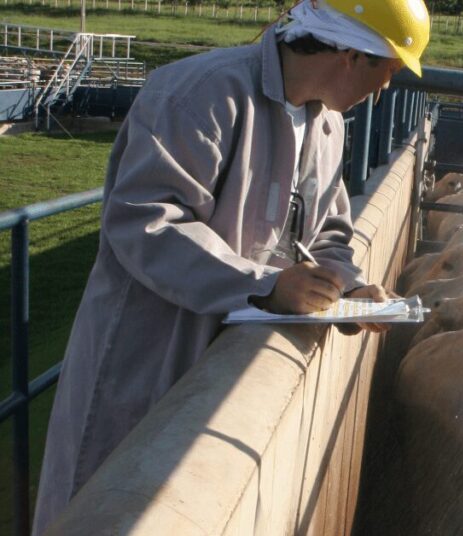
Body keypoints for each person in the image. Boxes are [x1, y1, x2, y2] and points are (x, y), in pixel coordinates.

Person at [32, 0, 430, 531]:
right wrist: (265, 285)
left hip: (230, 347)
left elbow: (330, 232)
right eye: (389, 69)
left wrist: (349, 289)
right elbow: (144, 222)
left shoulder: (328, 127)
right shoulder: (201, 94)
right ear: (349, 54)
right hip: (147, 352)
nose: (386, 88)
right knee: (103, 502)